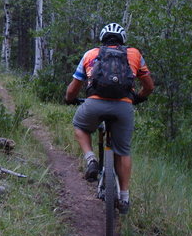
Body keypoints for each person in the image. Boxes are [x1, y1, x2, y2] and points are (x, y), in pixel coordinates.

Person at [64, 22, 154, 214]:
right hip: (124, 107)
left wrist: (70, 99)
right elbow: (149, 87)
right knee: (123, 151)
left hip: (94, 104)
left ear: (102, 40)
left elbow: (74, 87)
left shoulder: (90, 54)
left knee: (79, 125)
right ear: (122, 40)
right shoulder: (135, 54)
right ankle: (124, 197)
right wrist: (137, 98)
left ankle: (90, 160)